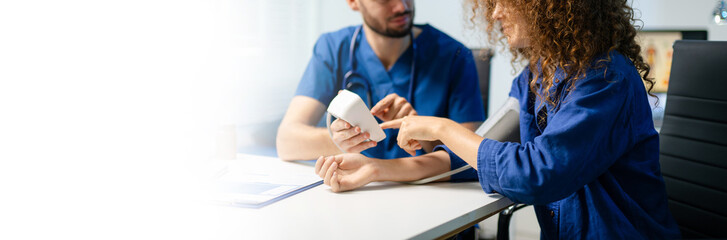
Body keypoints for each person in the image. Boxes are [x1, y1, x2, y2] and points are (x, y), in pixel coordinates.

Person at [316, 0, 681, 238]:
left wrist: (442, 127)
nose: (494, 14)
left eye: (503, 2)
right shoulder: (533, 79)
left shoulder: (606, 78)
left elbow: (538, 174)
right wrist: (375, 169)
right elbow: (476, 158)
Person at [276, 0, 486, 161]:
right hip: (359, 196)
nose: (401, 6)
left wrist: (423, 133)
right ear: (353, 2)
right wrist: (341, 140)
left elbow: (470, 159)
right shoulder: (333, 48)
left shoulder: (454, 55)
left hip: (432, 197)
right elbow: (287, 141)